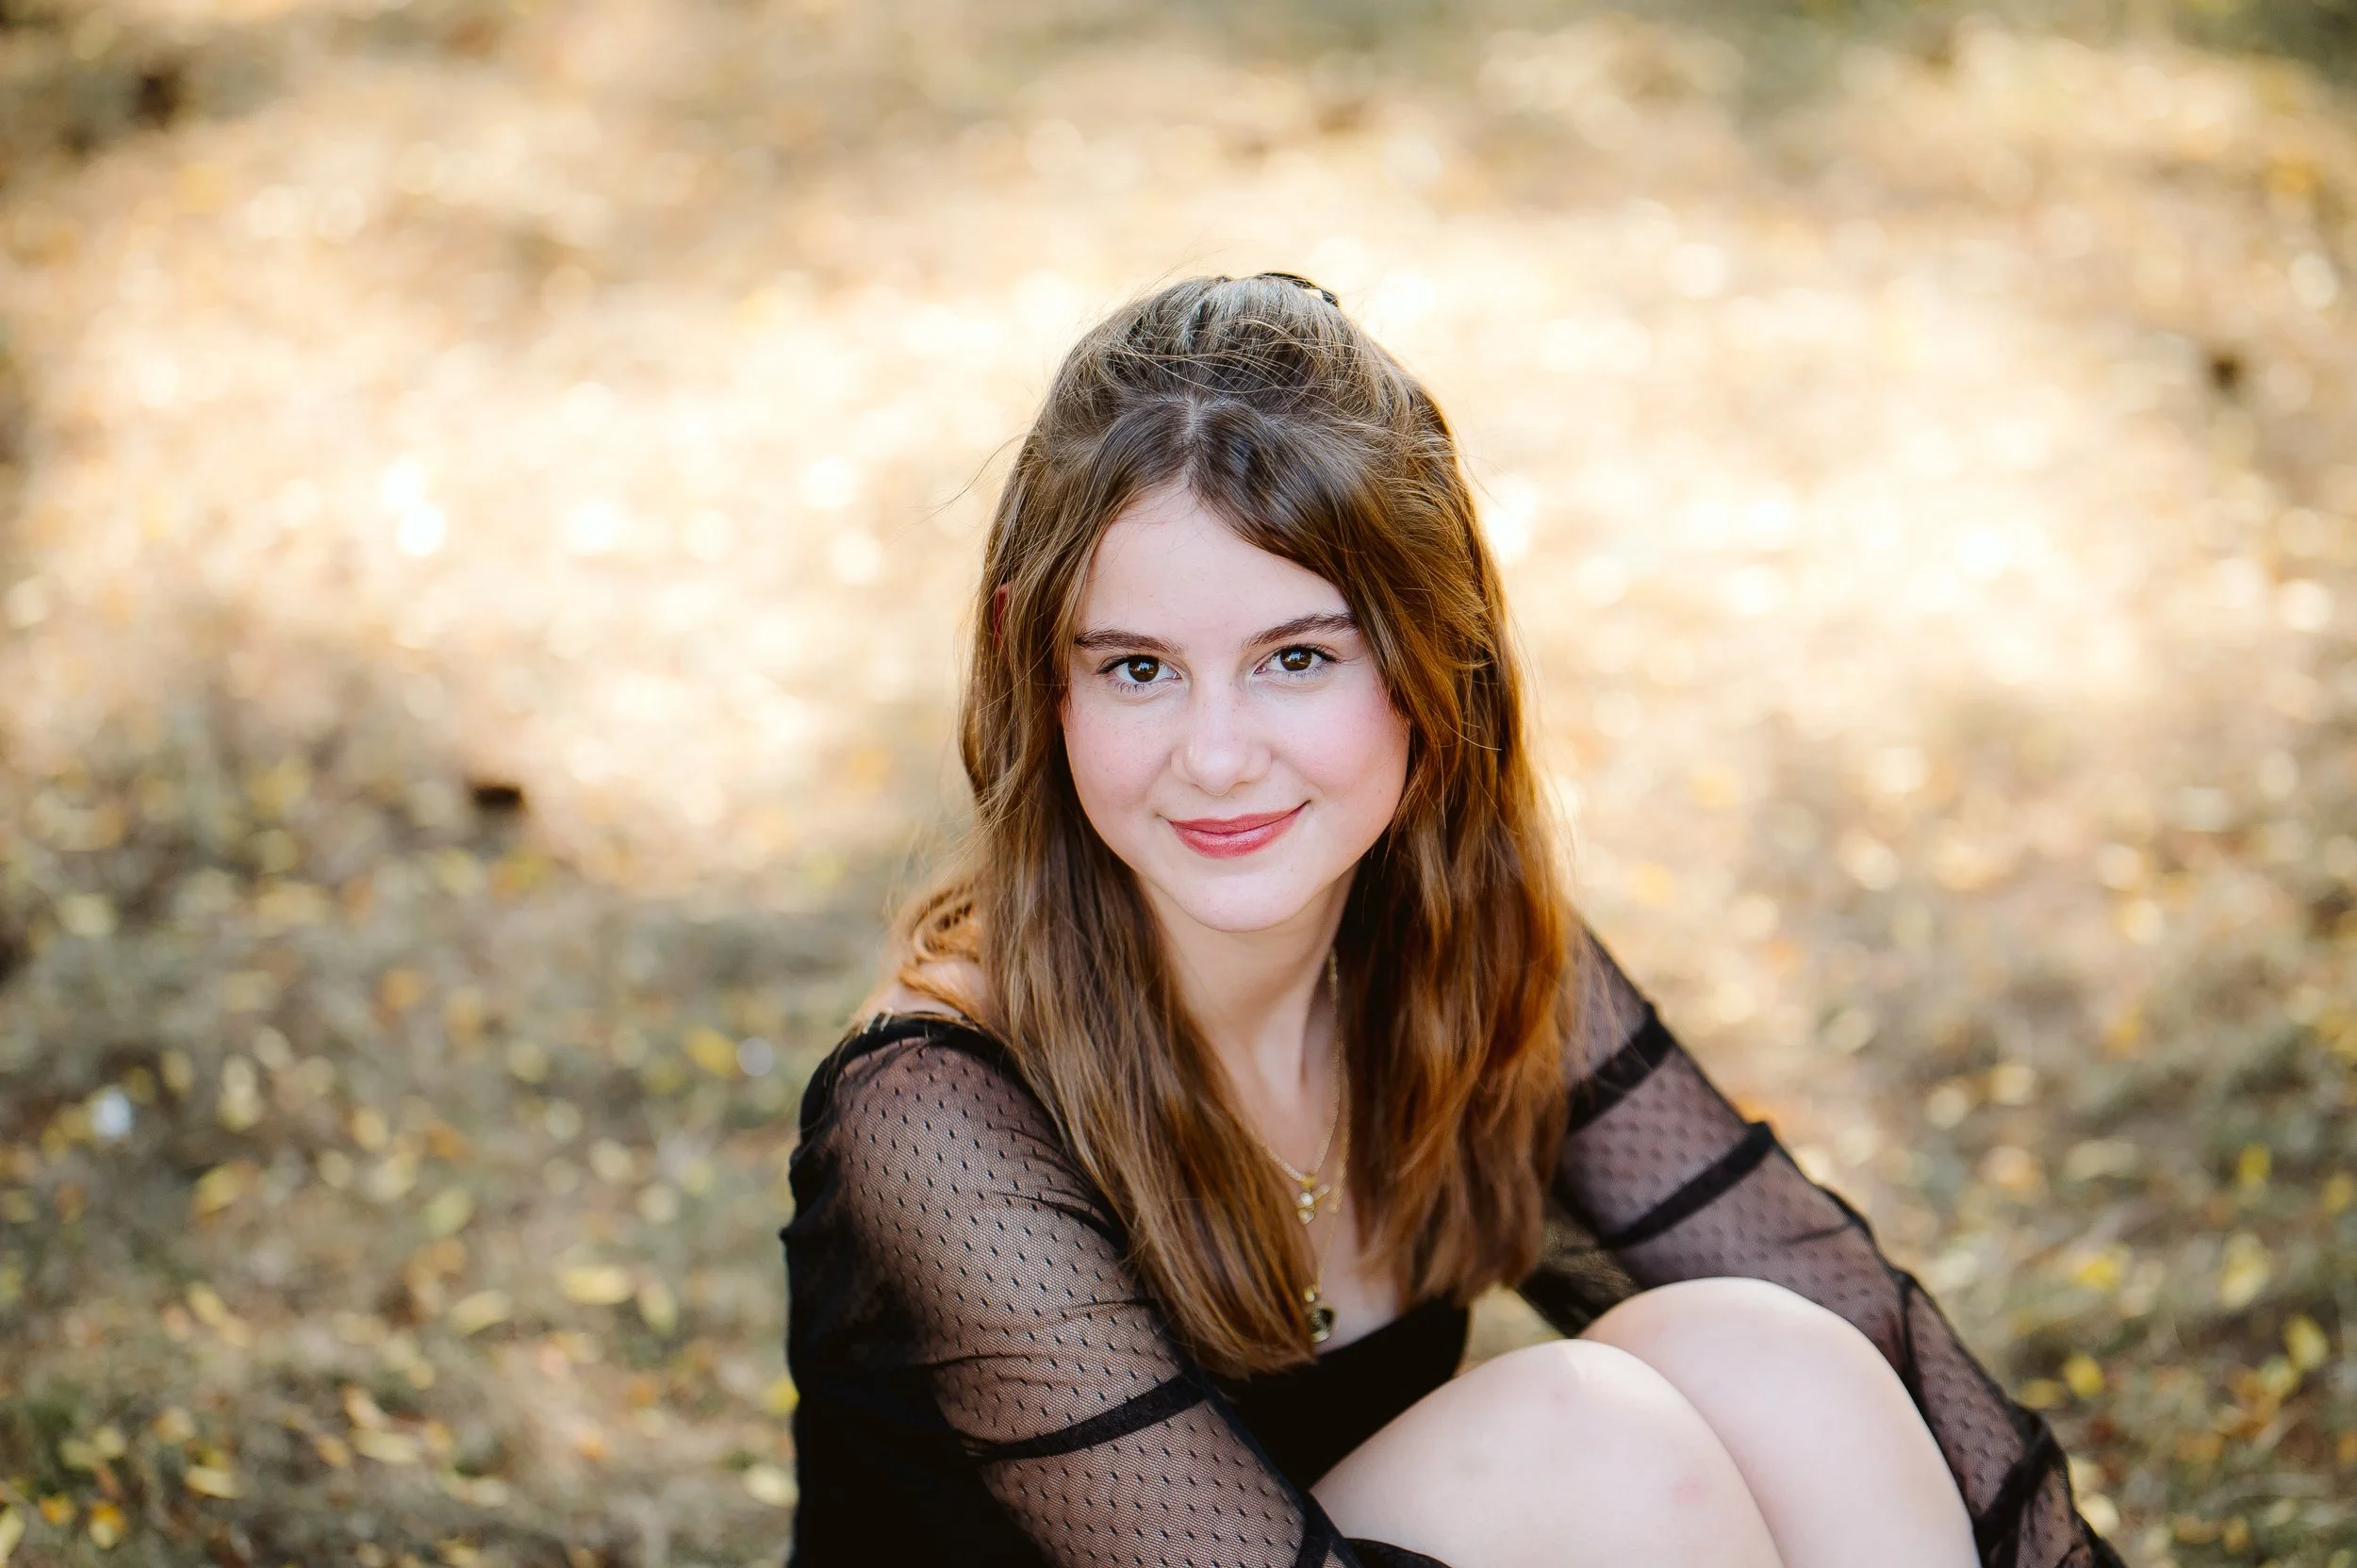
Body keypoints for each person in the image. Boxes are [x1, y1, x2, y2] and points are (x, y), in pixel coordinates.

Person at [780, 272, 2123, 1568]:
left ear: (1434, 658)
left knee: (1776, 1359)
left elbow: (1850, 1318)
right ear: (1039, 667)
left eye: (1297, 657)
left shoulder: (1455, 950)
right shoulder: (936, 1113)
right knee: (1592, 1449)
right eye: (1138, 668)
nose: (1219, 753)